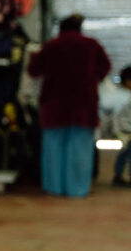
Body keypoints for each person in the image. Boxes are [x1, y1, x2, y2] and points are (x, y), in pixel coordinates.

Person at [27, 14, 111, 197]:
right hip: (84, 103)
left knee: (53, 147)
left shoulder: (51, 45)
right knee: (80, 148)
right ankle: (77, 189)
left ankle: (54, 188)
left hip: (54, 103)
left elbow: (33, 71)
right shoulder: (91, 45)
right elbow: (105, 67)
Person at [110, 66, 131, 187]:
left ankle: (119, 176)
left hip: (127, 129)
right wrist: (116, 129)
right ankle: (118, 176)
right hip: (124, 131)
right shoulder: (120, 96)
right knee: (124, 154)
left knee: (126, 154)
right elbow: (116, 115)